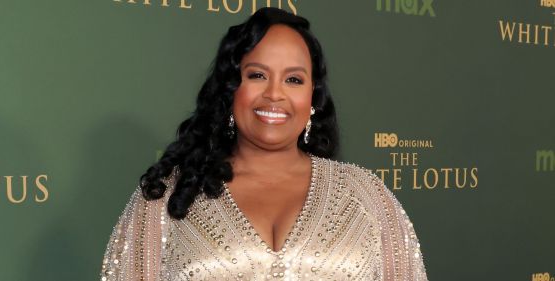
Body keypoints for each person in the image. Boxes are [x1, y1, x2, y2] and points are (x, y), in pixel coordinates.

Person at [100, 7, 428, 281]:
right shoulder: (167, 197)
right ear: (230, 89)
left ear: (312, 97)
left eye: (294, 79)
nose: (274, 93)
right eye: (257, 75)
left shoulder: (367, 198)